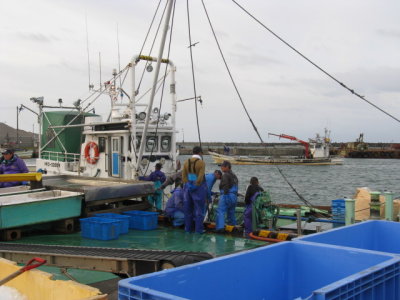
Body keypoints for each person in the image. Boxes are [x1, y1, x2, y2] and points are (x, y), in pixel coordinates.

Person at [182, 146, 207, 233]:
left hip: (187, 187)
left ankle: (188, 229)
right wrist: (196, 185)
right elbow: (200, 176)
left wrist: (188, 184)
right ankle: (198, 230)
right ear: (200, 152)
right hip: (198, 187)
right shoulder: (201, 163)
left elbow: (183, 175)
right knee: (199, 210)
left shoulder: (186, 162)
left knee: (188, 209)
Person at [215, 160, 238, 232]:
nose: (221, 168)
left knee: (220, 211)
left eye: (223, 166)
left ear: (227, 167)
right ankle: (232, 227)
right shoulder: (234, 175)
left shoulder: (225, 175)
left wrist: (225, 195)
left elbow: (225, 186)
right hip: (234, 196)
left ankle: (220, 228)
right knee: (231, 212)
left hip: (226, 195)